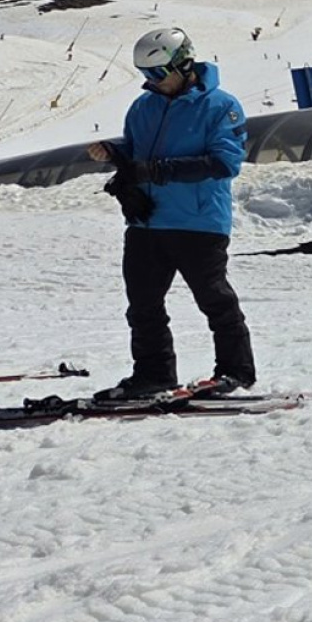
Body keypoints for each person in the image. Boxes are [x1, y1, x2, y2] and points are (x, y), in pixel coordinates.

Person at [85, 28, 255, 401]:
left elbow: (225, 162)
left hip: (197, 221)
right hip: (148, 221)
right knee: (143, 304)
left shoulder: (221, 106)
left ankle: (236, 370)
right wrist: (115, 154)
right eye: (146, 75)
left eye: (159, 73)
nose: (152, 82)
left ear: (184, 62)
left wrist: (158, 170)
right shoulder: (142, 107)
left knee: (214, 298)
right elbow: (137, 151)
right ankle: (153, 373)